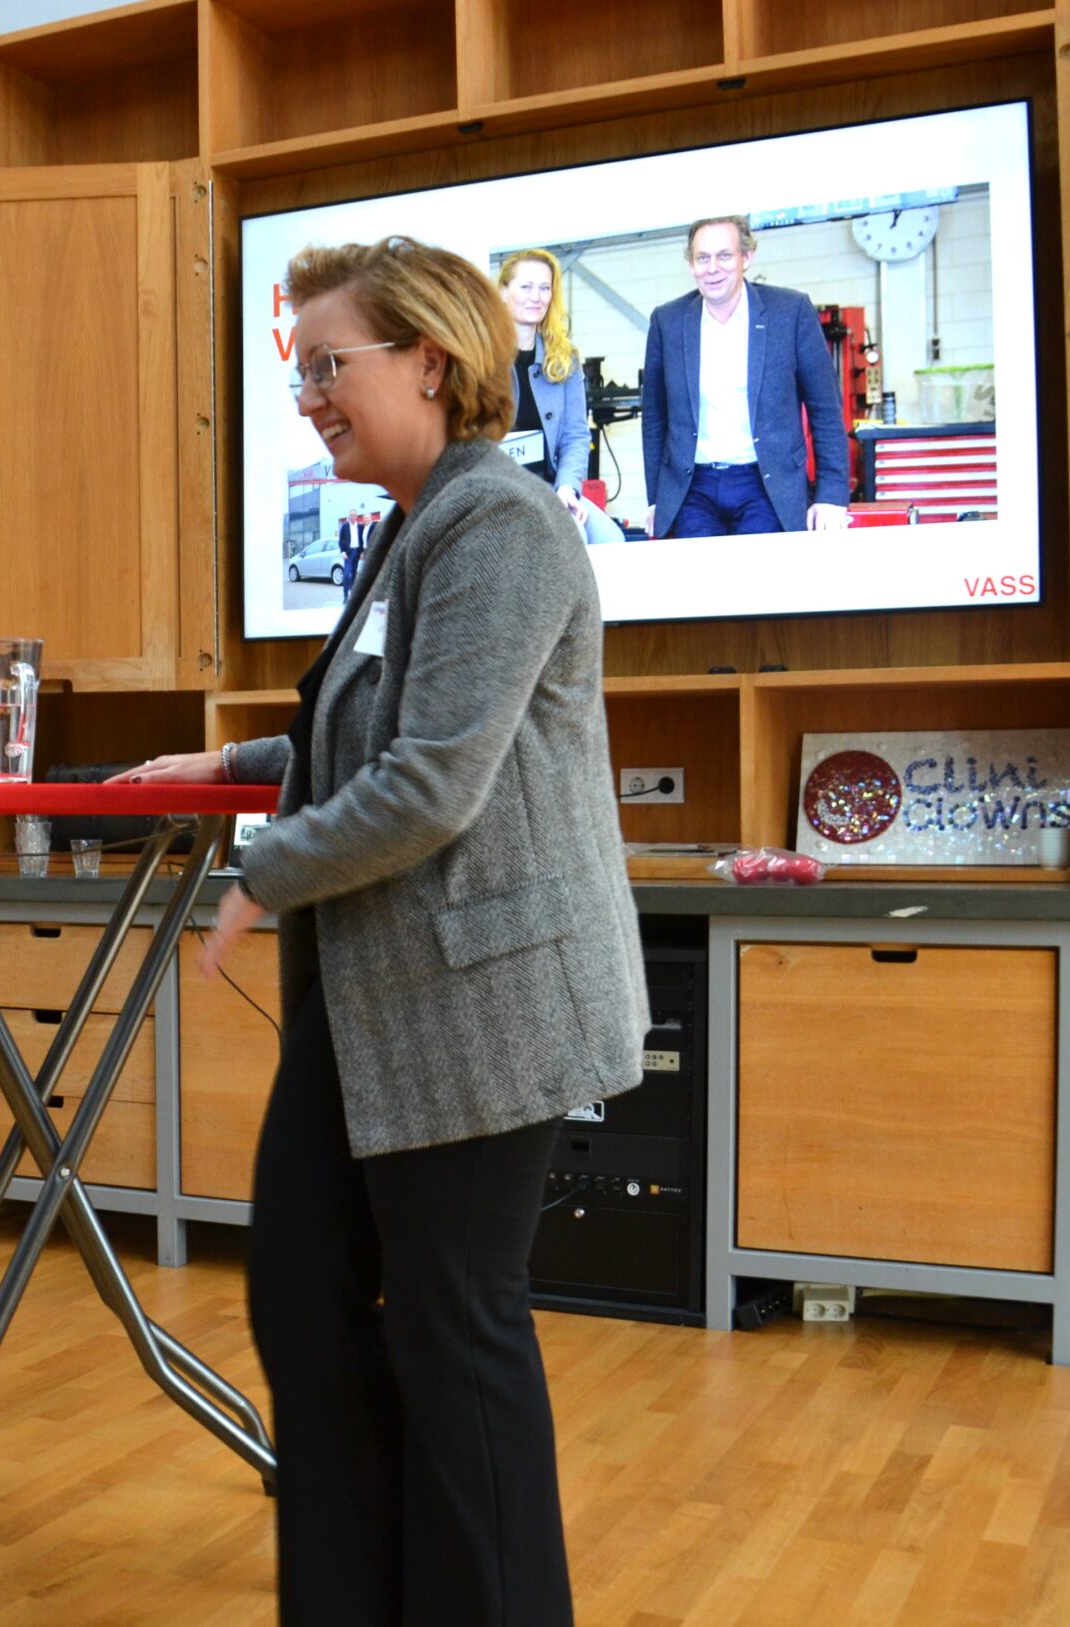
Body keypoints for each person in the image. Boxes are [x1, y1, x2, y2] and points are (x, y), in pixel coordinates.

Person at [117, 235, 648, 1627]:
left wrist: (261, 870)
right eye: (299, 369)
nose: (307, 395)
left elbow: (429, 779)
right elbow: (349, 731)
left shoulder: (503, 522)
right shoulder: (418, 525)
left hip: (482, 1008)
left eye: (328, 364)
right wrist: (222, 771)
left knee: (457, 1335)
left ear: (433, 358)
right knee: (302, 1292)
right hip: (376, 1009)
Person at [638, 215, 852, 539]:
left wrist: (831, 495)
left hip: (766, 485)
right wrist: (657, 499)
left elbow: (826, 410)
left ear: (746, 258)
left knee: (759, 585)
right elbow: (654, 419)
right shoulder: (667, 322)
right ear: (691, 264)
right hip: (692, 489)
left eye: (724, 255)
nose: (713, 268)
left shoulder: (790, 312)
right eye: (702, 258)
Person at [495, 248, 625, 546]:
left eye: (544, 288)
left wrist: (567, 488)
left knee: (612, 540)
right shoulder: (480, 359)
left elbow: (576, 436)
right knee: (571, 536)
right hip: (501, 488)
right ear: (503, 292)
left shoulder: (566, 359)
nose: (536, 296)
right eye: (525, 287)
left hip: (552, 486)